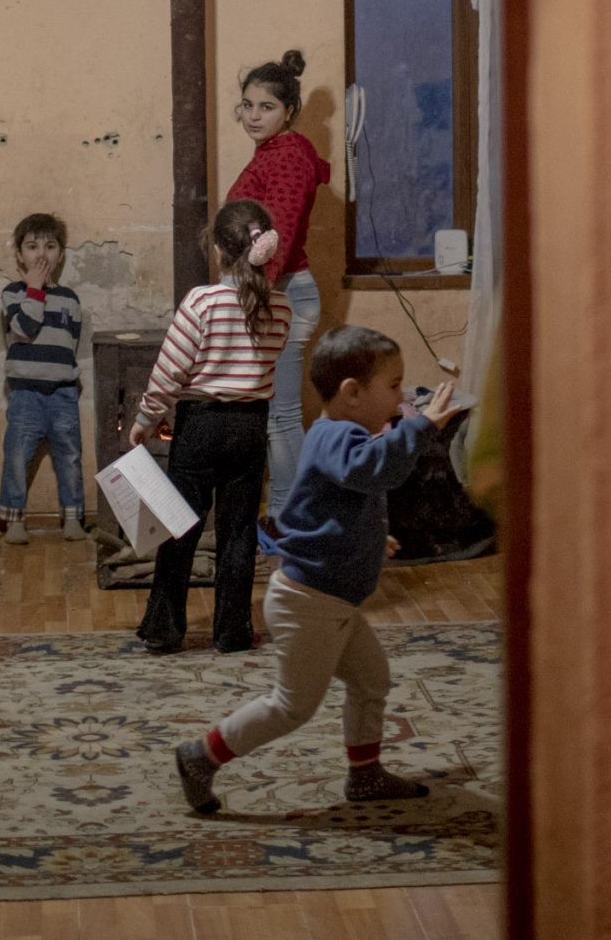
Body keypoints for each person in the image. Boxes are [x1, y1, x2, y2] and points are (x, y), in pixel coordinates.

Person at [172, 326, 457, 814]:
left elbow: (342, 502)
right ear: (351, 392)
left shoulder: (345, 436)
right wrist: (420, 426)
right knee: (292, 706)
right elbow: (372, 471)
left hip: (334, 601)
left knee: (371, 680)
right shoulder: (337, 436)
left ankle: (364, 776)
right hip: (310, 603)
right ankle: (201, 756)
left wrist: (369, 538)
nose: (401, 397)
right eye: (393, 386)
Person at [127, 200, 288, 654]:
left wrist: (146, 419)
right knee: (238, 534)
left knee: (180, 528)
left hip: (201, 426)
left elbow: (170, 370)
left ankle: (164, 628)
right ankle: (233, 631)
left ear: (219, 249)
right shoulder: (282, 307)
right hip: (251, 429)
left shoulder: (201, 301)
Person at [223, 50, 333, 526]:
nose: (252, 115)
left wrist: (250, 295)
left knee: (281, 416)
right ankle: (291, 518)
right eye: (247, 105)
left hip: (283, 292)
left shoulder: (287, 158)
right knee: (274, 415)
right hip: (275, 292)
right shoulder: (275, 152)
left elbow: (279, 238)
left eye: (265, 107)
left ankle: (294, 522)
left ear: (289, 110)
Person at [0, 211, 91, 546]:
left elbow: (70, 344)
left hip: (63, 393)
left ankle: (72, 516)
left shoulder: (70, 299)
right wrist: (34, 289)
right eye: (32, 247)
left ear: (61, 255)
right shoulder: (13, 293)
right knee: (17, 456)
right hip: (25, 394)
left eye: (50, 247)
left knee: (70, 456)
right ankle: (14, 519)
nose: (41, 254)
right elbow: (24, 329)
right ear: (20, 256)